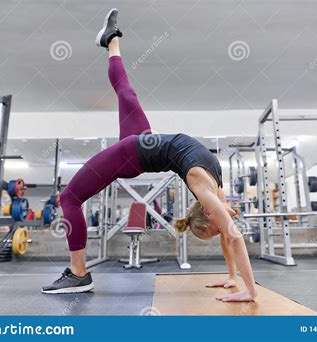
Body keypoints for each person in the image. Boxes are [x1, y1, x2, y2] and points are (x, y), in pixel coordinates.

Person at [42, 8, 257, 302]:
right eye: (218, 226)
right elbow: (229, 236)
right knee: (125, 92)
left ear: (209, 215)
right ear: (210, 216)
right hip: (140, 144)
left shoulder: (207, 188)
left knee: (69, 198)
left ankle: (78, 273)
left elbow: (229, 236)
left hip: (134, 155)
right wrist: (241, 284)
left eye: (219, 223)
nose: (227, 222)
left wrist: (241, 282)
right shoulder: (210, 191)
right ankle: (111, 40)